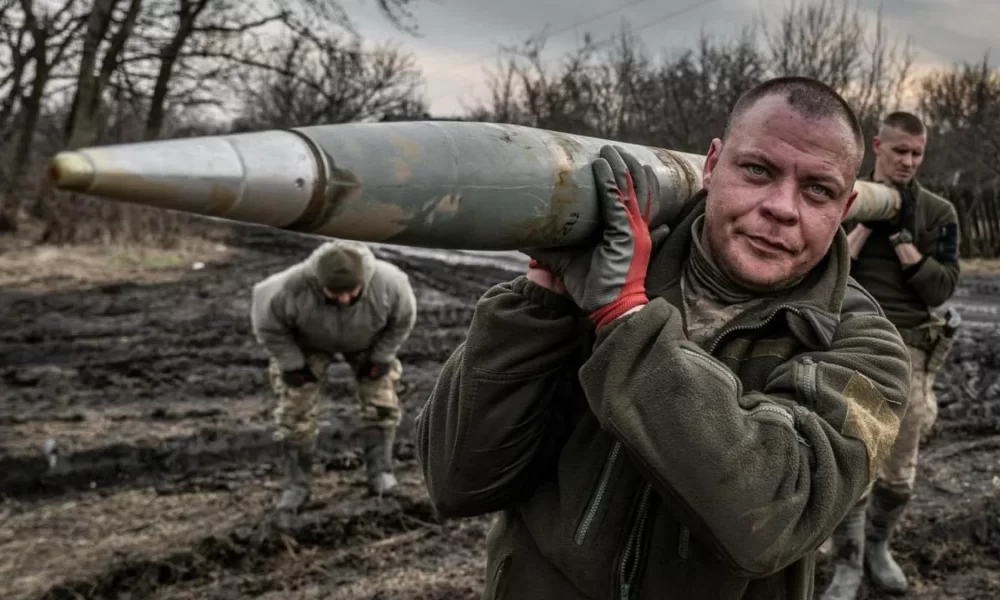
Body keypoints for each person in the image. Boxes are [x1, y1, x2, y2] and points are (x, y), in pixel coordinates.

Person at [414, 76, 911, 600]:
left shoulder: (865, 349)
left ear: (846, 206)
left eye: (818, 190)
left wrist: (626, 318)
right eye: (758, 170)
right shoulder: (612, 266)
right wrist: (542, 301)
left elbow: (772, 518)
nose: (782, 207)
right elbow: (457, 481)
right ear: (713, 165)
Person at [820, 112, 962, 599]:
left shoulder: (937, 212)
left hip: (910, 348)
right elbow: (818, 267)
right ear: (878, 145)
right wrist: (862, 228)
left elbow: (941, 287)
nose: (907, 161)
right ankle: (847, 564)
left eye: (916, 153)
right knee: (852, 456)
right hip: (850, 339)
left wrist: (902, 240)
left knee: (900, 467)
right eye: (899, 150)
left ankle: (879, 548)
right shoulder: (848, 198)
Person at [251, 239, 417, 515]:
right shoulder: (286, 288)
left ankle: (381, 474)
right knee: (294, 412)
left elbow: (402, 321)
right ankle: (297, 486)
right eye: (334, 293)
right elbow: (268, 326)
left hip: (367, 341)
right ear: (319, 283)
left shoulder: (391, 284)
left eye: (351, 292)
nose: (343, 299)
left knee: (382, 405)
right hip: (309, 343)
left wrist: (381, 357)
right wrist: (292, 364)